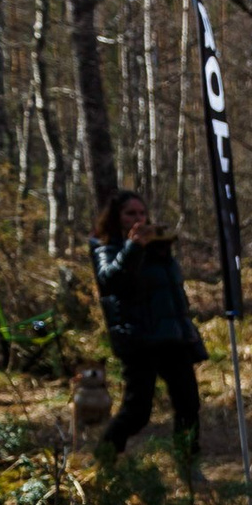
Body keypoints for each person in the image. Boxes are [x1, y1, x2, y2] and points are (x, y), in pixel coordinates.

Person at [90, 190, 206, 472]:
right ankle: (104, 459)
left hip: (172, 339)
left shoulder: (159, 246)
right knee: (137, 412)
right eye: (131, 214)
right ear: (116, 219)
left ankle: (189, 468)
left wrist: (187, 331)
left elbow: (172, 292)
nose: (138, 219)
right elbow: (110, 281)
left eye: (142, 213)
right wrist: (134, 247)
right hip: (139, 341)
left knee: (189, 404)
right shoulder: (106, 246)